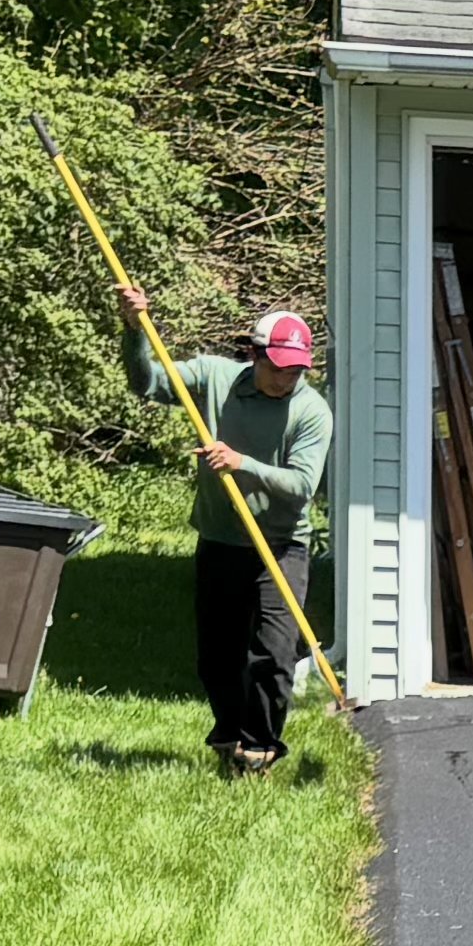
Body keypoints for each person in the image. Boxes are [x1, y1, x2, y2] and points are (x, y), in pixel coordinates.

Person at [150, 306, 330, 773]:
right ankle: (230, 735)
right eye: (278, 368)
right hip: (221, 538)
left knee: (273, 652)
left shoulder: (311, 411)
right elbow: (147, 381)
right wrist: (134, 330)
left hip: (282, 543)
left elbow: (301, 487)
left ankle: (259, 749)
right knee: (217, 656)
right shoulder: (215, 378)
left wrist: (242, 463)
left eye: (296, 371)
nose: (286, 379)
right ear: (254, 355)